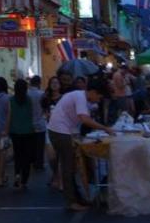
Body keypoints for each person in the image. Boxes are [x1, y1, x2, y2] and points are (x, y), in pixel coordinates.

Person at [46, 78, 113, 212]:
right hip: (60, 131)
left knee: (72, 166)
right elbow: (84, 119)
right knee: (68, 166)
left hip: (64, 130)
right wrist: (105, 128)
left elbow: (77, 120)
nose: (98, 100)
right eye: (99, 97)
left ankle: (77, 198)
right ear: (93, 92)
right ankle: (71, 201)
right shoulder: (80, 97)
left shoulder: (82, 98)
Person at [8, 78, 39, 189]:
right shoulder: (28, 100)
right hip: (28, 131)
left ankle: (17, 174)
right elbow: (31, 115)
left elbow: (9, 117)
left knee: (18, 155)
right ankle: (24, 180)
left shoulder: (11, 100)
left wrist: (6, 131)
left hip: (15, 131)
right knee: (26, 156)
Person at [28, 75, 48, 171]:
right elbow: (45, 108)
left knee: (31, 145)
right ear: (39, 83)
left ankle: (31, 161)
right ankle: (39, 163)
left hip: (29, 124)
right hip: (40, 122)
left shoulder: (26, 93)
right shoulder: (42, 94)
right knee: (40, 146)